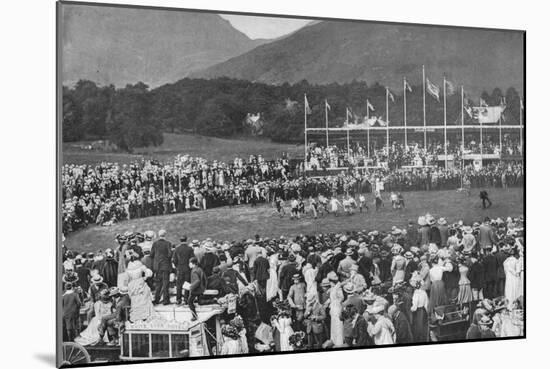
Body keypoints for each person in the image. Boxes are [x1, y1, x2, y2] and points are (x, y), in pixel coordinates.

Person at [124, 250, 155, 321]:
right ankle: (145, 315)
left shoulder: (128, 268)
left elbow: (126, 279)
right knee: (143, 299)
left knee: (135, 301)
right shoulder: (140, 265)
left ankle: (136, 316)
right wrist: (144, 278)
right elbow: (149, 273)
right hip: (140, 282)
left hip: (132, 284)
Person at [151, 229, 172, 305]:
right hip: (165, 266)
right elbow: (170, 254)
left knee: (158, 284)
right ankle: (166, 300)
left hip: (157, 267)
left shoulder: (155, 243)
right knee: (166, 283)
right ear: (165, 235)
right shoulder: (168, 243)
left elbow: (151, 254)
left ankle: (156, 299)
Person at [173, 236, 195, 305]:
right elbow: (192, 259)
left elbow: (174, 260)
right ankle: (186, 299)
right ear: (186, 240)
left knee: (179, 285)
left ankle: (178, 299)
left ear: (180, 240)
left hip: (180, 268)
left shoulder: (177, 249)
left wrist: (177, 267)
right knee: (187, 284)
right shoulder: (190, 249)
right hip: (187, 268)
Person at [326, 271, 344, 346]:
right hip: (333, 307)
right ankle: (333, 339)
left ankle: (339, 342)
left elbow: (342, 297)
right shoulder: (333, 288)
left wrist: (336, 302)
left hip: (337, 307)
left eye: (329, 281)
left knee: (338, 324)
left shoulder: (338, 287)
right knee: (333, 324)